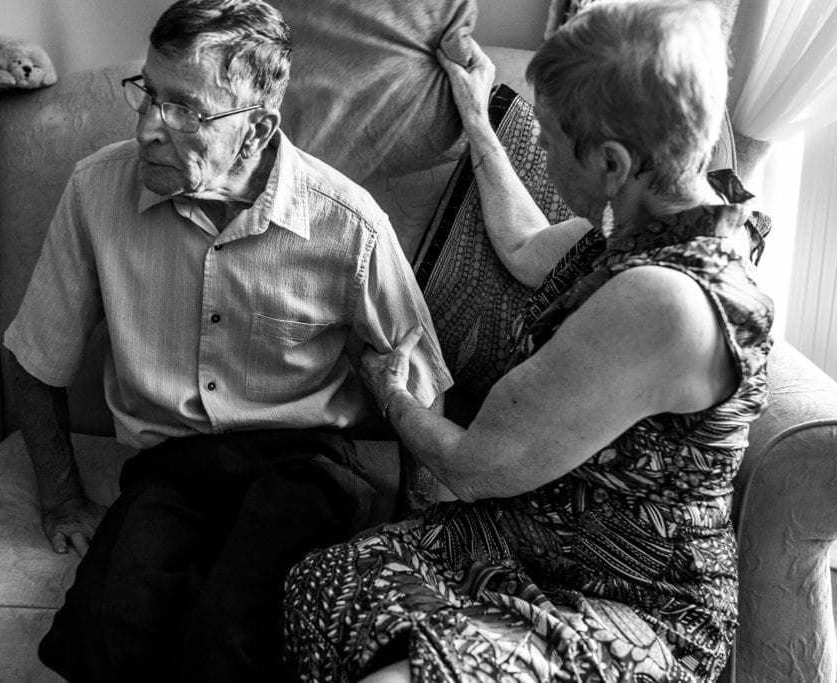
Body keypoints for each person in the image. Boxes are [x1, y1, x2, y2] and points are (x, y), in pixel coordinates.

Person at [282, 1, 774, 681]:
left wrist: (390, 393)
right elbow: (521, 244)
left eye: (545, 139)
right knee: (322, 582)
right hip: (530, 541)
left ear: (611, 163)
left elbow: (471, 465)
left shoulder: (661, 302)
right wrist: (477, 115)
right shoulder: (658, 226)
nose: (537, 149)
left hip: (633, 600)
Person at [2, 0, 452, 680]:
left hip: (302, 463)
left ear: (256, 127)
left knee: (231, 635)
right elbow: (35, 355)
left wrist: (418, 529)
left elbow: (419, 379)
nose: (148, 128)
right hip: (170, 462)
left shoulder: (346, 221)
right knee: (103, 627)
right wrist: (61, 497)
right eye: (148, 94)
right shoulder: (97, 190)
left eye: (185, 109)